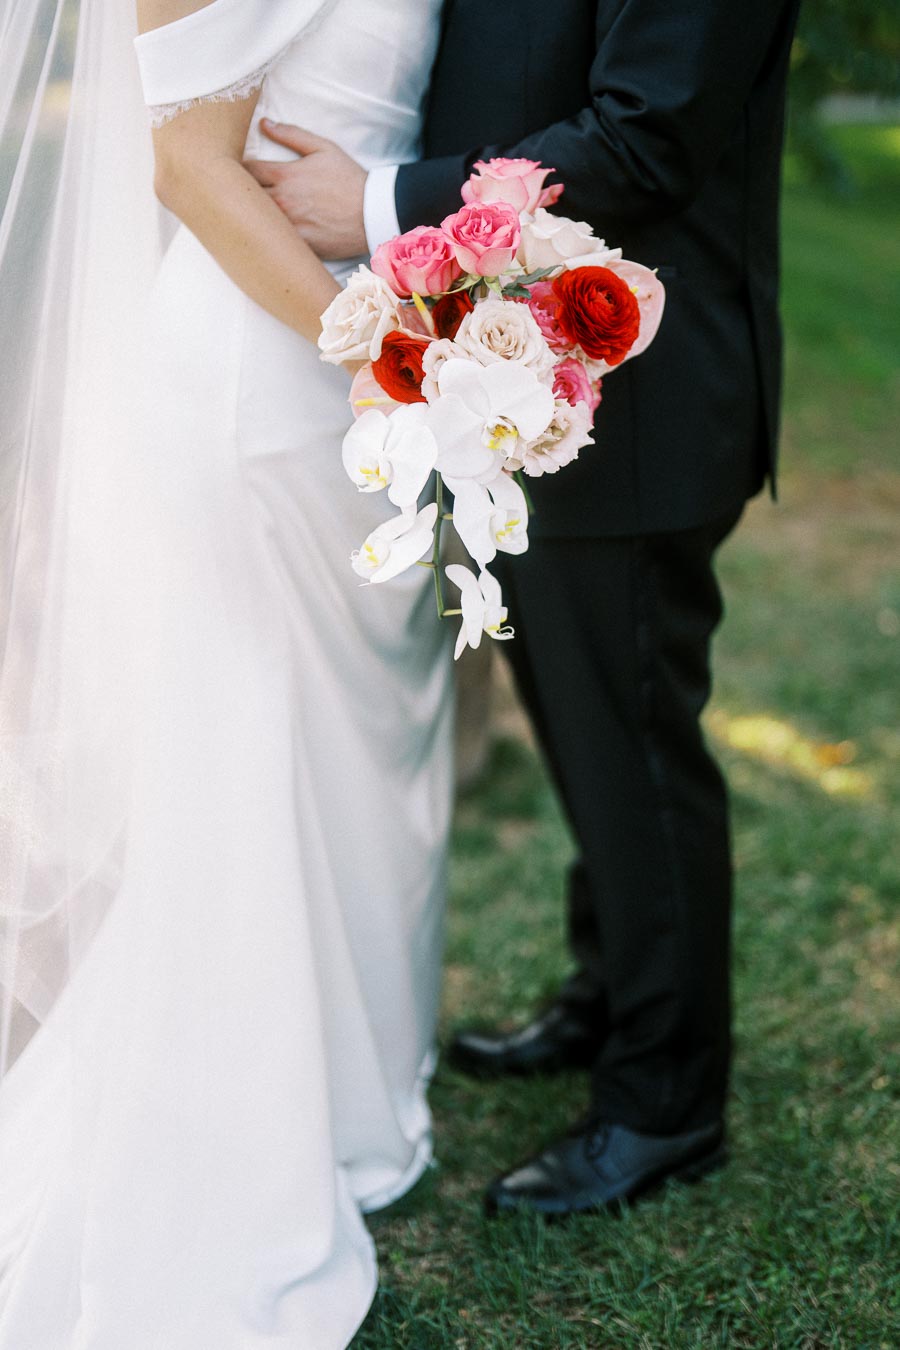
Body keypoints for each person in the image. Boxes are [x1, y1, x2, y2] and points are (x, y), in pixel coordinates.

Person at [246, 0, 802, 1217]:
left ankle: (665, 1103)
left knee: (637, 749)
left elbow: (646, 137)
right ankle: (610, 993)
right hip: (529, 386)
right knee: (585, 726)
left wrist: (387, 204)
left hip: (641, 400)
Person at [0, 2, 450, 1344]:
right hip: (278, 370)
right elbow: (188, 162)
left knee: (353, 754)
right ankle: (237, 1116)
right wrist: (390, 363)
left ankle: (359, 1091)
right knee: (248, 767)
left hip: (355, 375)